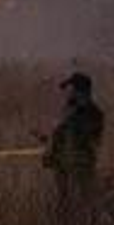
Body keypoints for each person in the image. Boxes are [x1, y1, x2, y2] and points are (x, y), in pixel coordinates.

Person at [43, 72, 105, 207]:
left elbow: (91, 140)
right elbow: (61, 132)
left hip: (80, 164)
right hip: (62, 161)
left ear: (81, 91)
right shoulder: (70, 107)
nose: (67, 92)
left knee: (85, 200)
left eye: (71, 89)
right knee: (63, 199)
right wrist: (48, 141)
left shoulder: (93, 113)